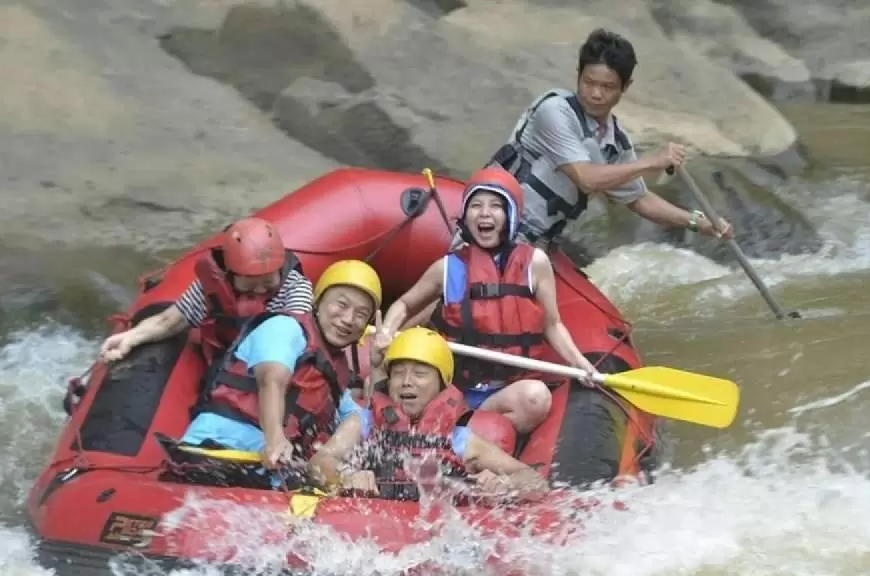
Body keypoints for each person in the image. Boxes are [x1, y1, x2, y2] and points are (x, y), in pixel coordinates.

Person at [375, 168, 596, 435]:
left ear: (510, 216)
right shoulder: (448, 268)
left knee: (536, 398)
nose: (484, 213)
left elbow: (552, 325)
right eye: (476, 206)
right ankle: (452, 430)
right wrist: (386, 331)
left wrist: (580, 363)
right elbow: (404, 305)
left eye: (495, 206)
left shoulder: (535, 264)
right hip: (456, 387)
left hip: (507, 390)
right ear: (466, 216)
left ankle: (464, 432)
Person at [485, 28, 734, 250]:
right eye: (589, 82)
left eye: (607, 86)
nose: (595, 94)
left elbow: (639, 200)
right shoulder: (554, 111)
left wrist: (698, 222)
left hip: (537, 242)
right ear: (578, 75)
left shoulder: (614, 142)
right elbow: (586, 178)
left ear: (625, 86)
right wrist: (652, 162)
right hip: (495, 226)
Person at [180, 259, 382, 470]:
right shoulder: (285, 328)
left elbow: (359, 419)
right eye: (341, 305)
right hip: (217, 446)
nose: (349, 319)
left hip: (271, 469)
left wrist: (329, 456)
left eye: (361, 314)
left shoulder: (335, 372)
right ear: (318, 302)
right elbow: (272, 380)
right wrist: (275, 438)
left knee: (356, 420)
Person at [308, 327, 548, 501]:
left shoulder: (460, 440)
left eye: (420, 374)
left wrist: (503, 484)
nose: (406, 382)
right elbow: (319, 462)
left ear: (441, 385)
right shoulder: (363, 422)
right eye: (399, 373)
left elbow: (534, 481)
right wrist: (345, 477)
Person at [99, 217, 314, 365]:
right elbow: (169, 321)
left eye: (268, 281)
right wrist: (132, 337)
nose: (259, 289)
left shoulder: (296, 290)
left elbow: (296, 344)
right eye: (249, 283)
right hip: (224, 362)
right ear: (230, 273)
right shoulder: (213, 286)